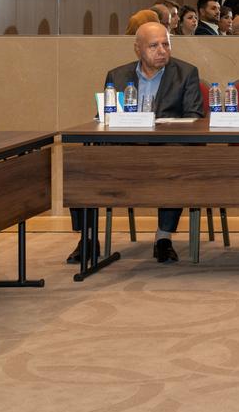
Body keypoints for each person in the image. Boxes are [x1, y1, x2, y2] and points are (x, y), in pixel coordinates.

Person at [70, 21, 204, 266]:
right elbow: (105, 116)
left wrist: (159, 126)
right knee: (81, 161)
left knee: (176, 159)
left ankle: (163, 238)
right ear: (138, 49)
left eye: (166, 44)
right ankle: (88, 238)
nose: (162, 51)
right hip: (124, 148)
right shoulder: (117, 75)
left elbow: (194, 117)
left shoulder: (186, 73)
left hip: (166, 148)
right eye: (154, 46)